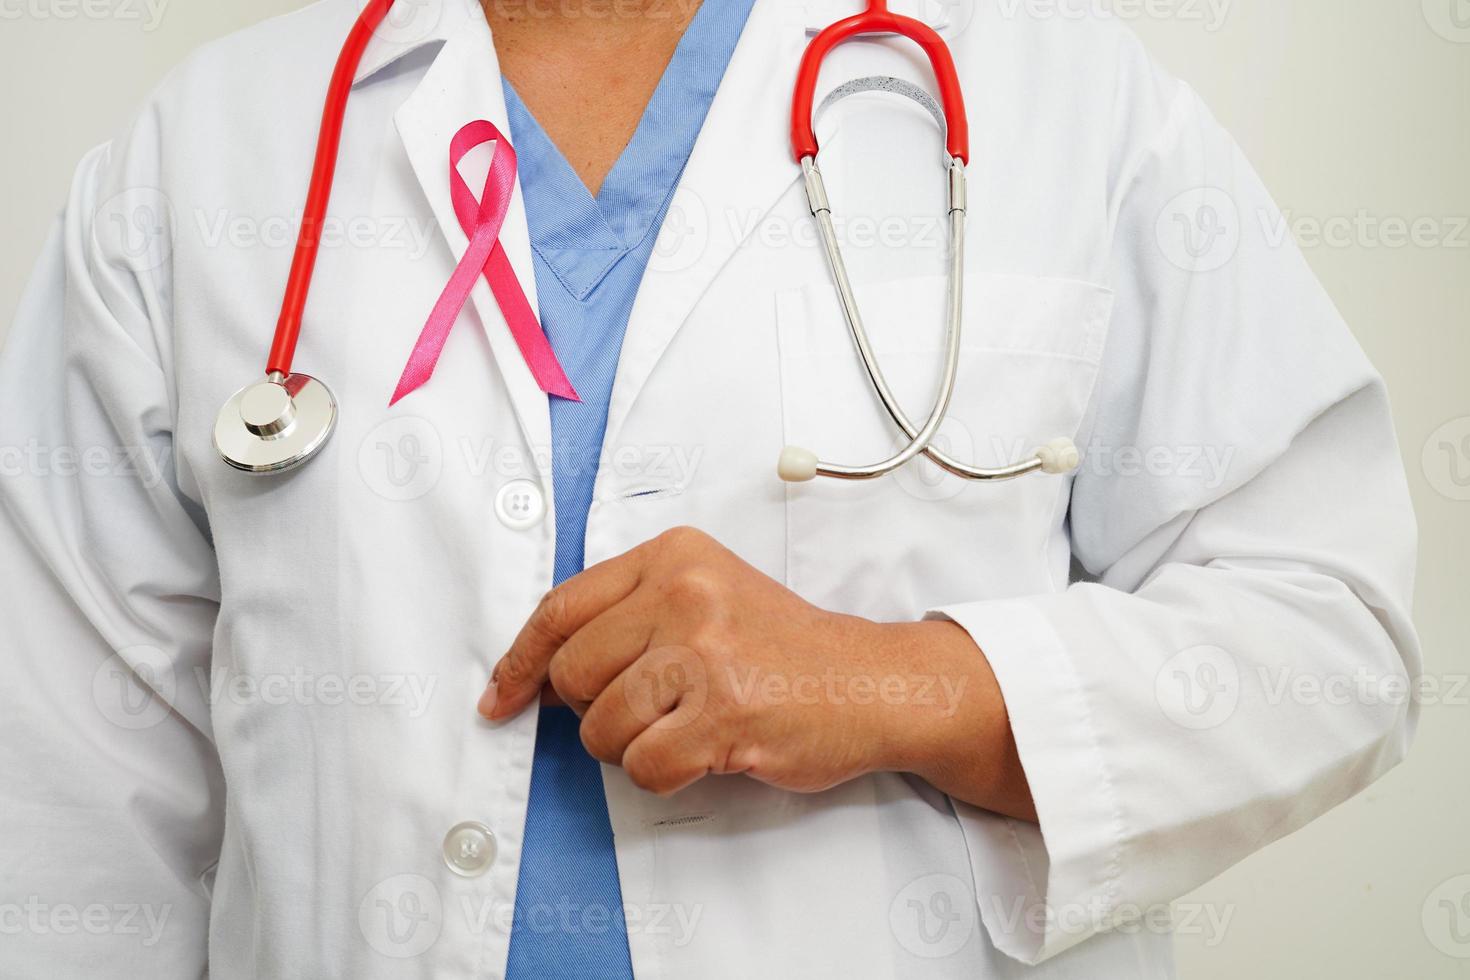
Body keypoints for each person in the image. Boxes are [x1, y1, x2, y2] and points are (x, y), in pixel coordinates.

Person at [0, 0, 1419, 976]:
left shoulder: (1061, 99)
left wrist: (890, 684)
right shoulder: (205, 157)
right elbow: (71, 812)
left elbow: (1327, 630)